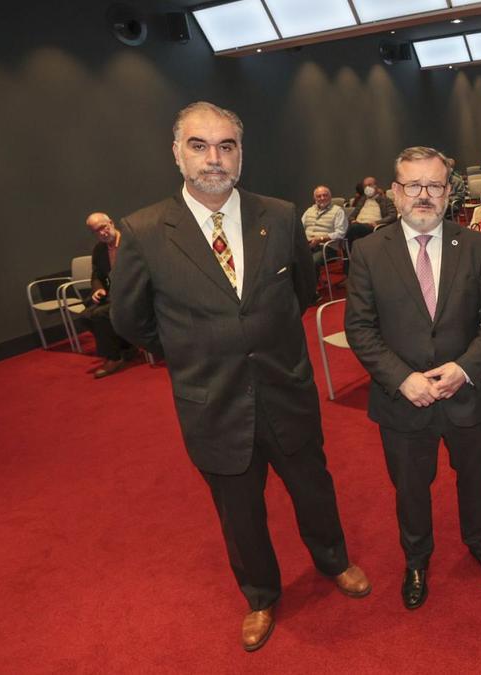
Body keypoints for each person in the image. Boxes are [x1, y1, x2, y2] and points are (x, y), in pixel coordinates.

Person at [110, 101, 371, 652]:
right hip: (213, 403)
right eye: (199, 146)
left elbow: (302, 291)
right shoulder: (144, 231)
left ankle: (334, 561)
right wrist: (194, 351)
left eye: (226, 146)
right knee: (239, 512)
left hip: (286, 389)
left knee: (314, 490)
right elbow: (130, 319)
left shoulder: (278, 215)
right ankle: (260, 595)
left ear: (241, 153)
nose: (214, 159)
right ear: (177, 153)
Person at [343, 146, 481, 611]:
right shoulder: (368, 251)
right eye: (413, 185)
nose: (424, 195)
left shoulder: (475, 244)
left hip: (468, 395)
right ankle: (416, 558)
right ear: (395, 193)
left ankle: (479, 542)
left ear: (448, 192)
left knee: (476, 479)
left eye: (434, 185)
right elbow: (360, 328)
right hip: (403, 401)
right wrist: (402, 380)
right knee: (411, 489)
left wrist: (464, 368)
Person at [81, 212, 133, 378]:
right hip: (115, 295)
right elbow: (96, 275)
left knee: (100, 314)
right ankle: (126, 346)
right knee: (85, 316)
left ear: (111, 222)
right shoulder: (99, 249)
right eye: (96, 231)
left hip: (135, 293)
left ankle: (114, 357)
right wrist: (98, 289)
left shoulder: (130, 242)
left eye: (103, 227)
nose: (102, 233)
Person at [302, 185, 348, 275]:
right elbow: (300, 228)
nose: (322, 198)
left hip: (327, 247)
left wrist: (321, 239)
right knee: (290, 259)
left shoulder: (338, 211)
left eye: (325, 195)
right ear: (314, 198)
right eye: (319, 196)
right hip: (307, 245)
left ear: (330, 196)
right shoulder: (309, 211)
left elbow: (341, 233)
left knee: (311, 261)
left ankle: (311, 288)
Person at [345, 176, 398, 250]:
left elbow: (393, 215)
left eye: (369, 185)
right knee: (352, 226)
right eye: (365, 186)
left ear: (376, 186)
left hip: (372, 227)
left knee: (353, 228)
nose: (367, 188)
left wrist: (377, 222)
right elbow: (352, 216)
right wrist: (352, 220)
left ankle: (346, 253)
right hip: (357, 225)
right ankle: (348, 253)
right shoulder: (362, 200)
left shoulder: (385, 200)